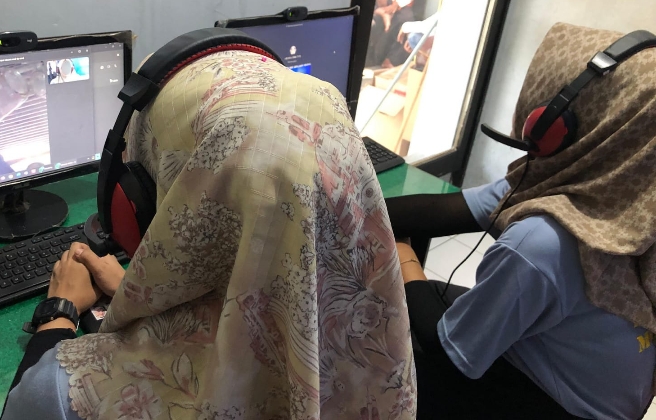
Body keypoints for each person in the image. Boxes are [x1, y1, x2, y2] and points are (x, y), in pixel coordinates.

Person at [2, 48, 416, 419]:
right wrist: (137, 291)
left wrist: (58, 312)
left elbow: (28, 402)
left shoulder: (71, 395)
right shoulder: (381, 347)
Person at [385, 23, 656, 419]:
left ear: (553, 125)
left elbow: (447, 353)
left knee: (387, 342)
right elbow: (446, 209)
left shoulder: (542, 242)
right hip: (595, 387)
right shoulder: (621, 195)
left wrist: (400, 253)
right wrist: (359, 199)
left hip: (558, 406)